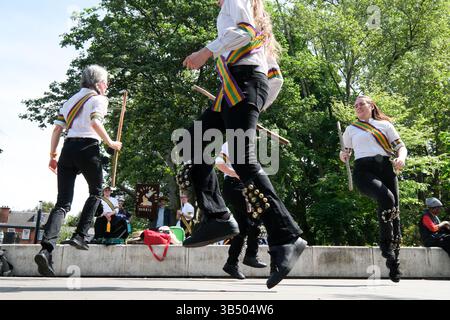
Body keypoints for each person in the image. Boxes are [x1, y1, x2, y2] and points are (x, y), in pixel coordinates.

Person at [179, 0, 307, 289]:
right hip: (236, 88)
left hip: (242, 84)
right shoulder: (252, 22)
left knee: (241, 159)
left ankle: (286, 236)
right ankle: (217, 217)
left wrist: (206, 52)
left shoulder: (235, 3)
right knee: (194, 144)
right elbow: (275, 79)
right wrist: (257, 106)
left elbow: (245, 31)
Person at [34, 65, 122, 277]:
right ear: (98, 83)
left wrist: (52, 156)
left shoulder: (70, 100)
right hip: (88, 149)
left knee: (62, 202)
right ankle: (80, 235)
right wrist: (111, 142)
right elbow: (95, 122)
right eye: (106, 82)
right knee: (96, 192)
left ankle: (46, 250)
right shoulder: (99, 99)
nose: (107, 85)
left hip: (67, 149)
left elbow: (57, 129)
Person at [339, 95, 407, 282]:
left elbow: (401, 147)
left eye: (361, 104)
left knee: (395, 211)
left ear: (371, 106)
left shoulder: (385, 125)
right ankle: (386, 248)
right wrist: (343, 155)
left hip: (385, 168)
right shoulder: (351, 129)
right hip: (363, 170)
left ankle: (393, 262)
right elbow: (345, 150)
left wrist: (401, 158)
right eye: (355, 106)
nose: (358, 107)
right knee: (387, 199)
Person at [216, 142, 268, 280]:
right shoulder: (231, 143)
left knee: (243, 228)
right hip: (234, 186)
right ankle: (251, 255)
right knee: (255, 217)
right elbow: (220, 164)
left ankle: (231, 263)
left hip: (242, 186)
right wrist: (237, 175)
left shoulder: (247, 145)